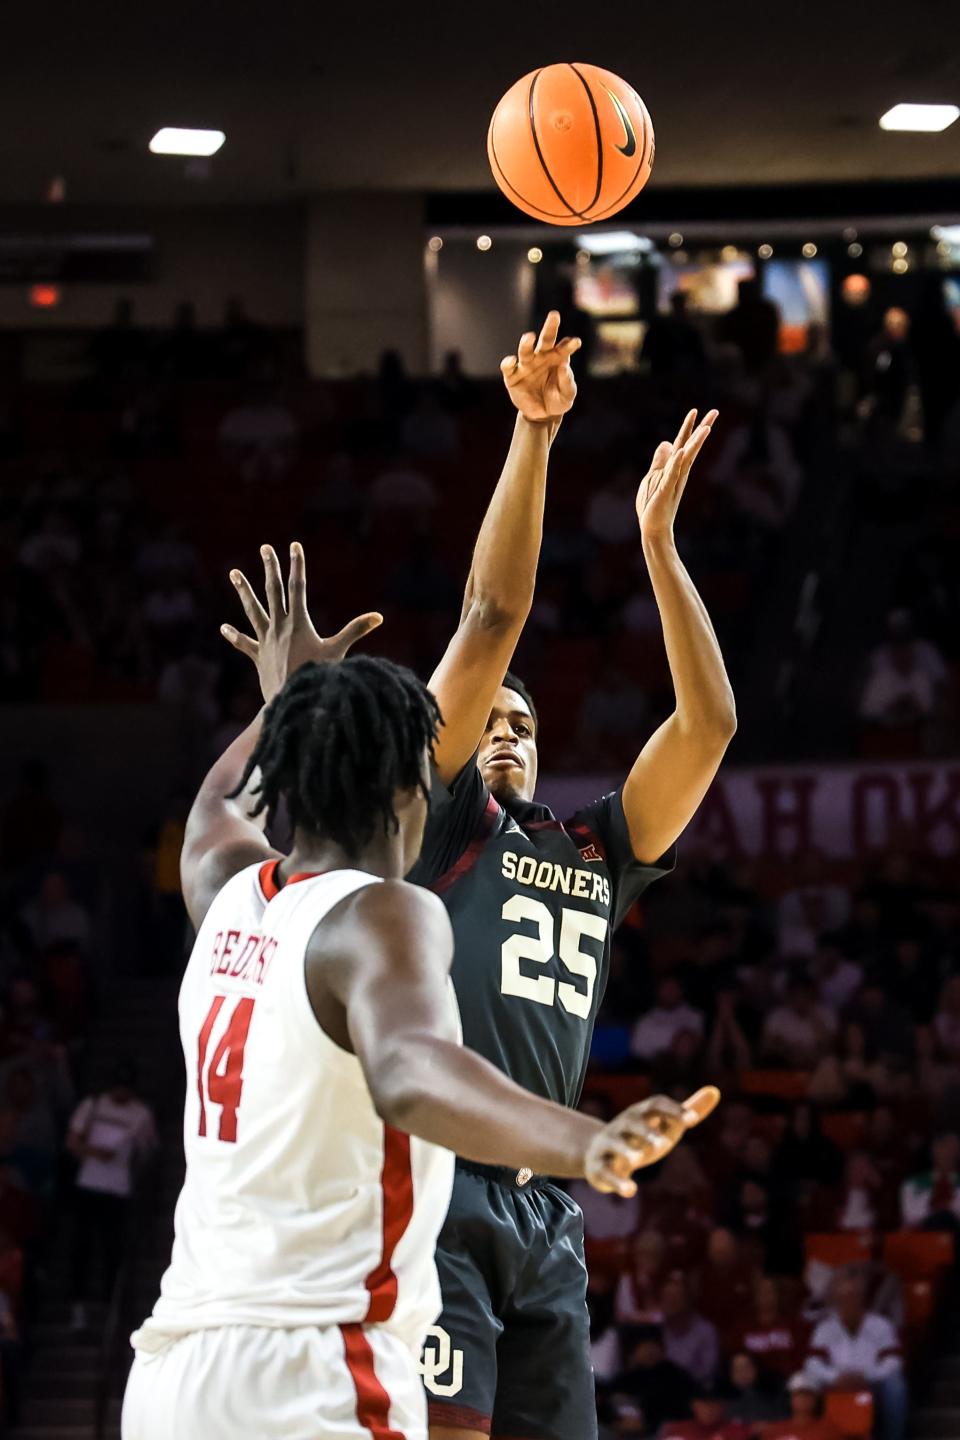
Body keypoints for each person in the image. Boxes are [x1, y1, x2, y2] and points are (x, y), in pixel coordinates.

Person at [227, 312, 734, 1440]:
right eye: (486, 717)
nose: (503, 727)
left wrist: (659, 547)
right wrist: (535, 434)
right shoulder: (443, 814)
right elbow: (492, 617)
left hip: (547, 1209)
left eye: (522, 721)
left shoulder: (599, 851)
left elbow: (709, 725)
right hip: (436, 1181)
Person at [124, 545, 717, 1440]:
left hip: (181, 1356)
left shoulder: (224, 885)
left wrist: (290, 701)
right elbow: (413, 1074)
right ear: (411, 802)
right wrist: (588, 1141)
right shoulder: (385, 915)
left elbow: (220, 807)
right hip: (314, 1356)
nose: (496, 739)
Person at [68, 1059, 157, 1333]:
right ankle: (77, 1307)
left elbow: (148, 1150)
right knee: (82, 1246)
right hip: (89, 1185)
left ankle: (109, 1309)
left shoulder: (140, 1114)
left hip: (119, 1189)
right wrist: (95, 1153)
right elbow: (72, 1141)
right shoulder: (93, 1105)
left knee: (112, 1248)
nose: (121, 1093)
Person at [805, 1270, 907, 1440]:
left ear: (862, 1298)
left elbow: (894, 1361)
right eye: (842, 1296)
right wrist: (835, 1377)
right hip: (835, 1384)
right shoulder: (825, 1328)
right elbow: (812, 1363)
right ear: (835, 1300)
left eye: (853, 1295)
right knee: (806, 1381)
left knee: (896, 1386)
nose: (848, 1300)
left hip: (872, 1384)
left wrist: (866, 1376)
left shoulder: (880, 1325)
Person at [761, 1373, 841, 1440]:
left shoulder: (830, 1431)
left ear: (816, 1399)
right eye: (798, 1394)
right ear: (790, 1399)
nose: (803, 1399)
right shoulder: (772, 1431)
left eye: (807, 1394)